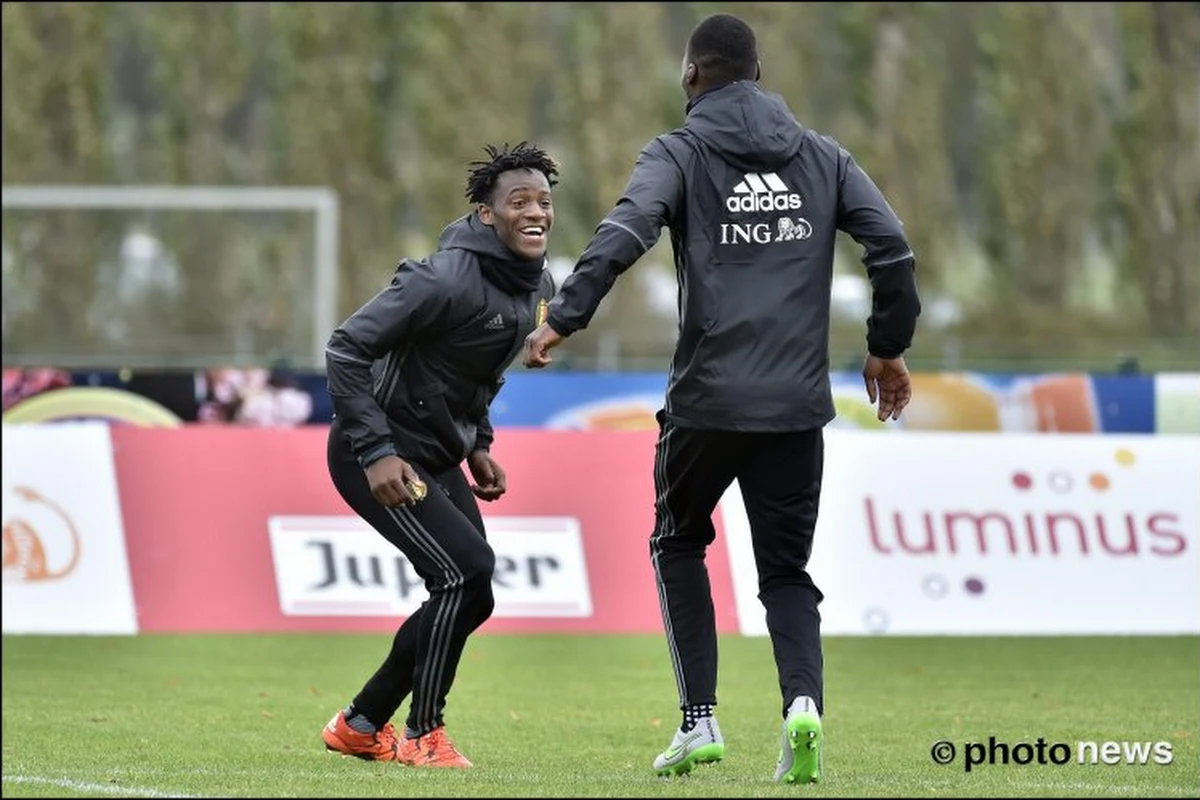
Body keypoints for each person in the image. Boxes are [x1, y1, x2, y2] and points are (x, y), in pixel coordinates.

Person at [522, 13, 921, 784]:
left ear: (692, 76)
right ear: (759, 75)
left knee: (677, 542)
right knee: (786, 576)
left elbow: (628, 226)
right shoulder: (824, 158)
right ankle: (802, 707)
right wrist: (887, 344)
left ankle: (698, 721)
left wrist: (563, 316)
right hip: (796, 410)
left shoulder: (680, 151)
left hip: (706, 404)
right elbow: (892, 247)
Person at [321, 141, 558, 768]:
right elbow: (345, 349)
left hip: (435, 455)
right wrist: (374, 451)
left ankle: (362, 723)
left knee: (471, 591)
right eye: (519, 201)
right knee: (466, 572)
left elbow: (479, 376)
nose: (536, 212)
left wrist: (478, 444)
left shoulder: (540, 287)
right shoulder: (441, 277)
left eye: (544, 201)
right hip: (373, 452)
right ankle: (425, 734)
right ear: (487, 214)